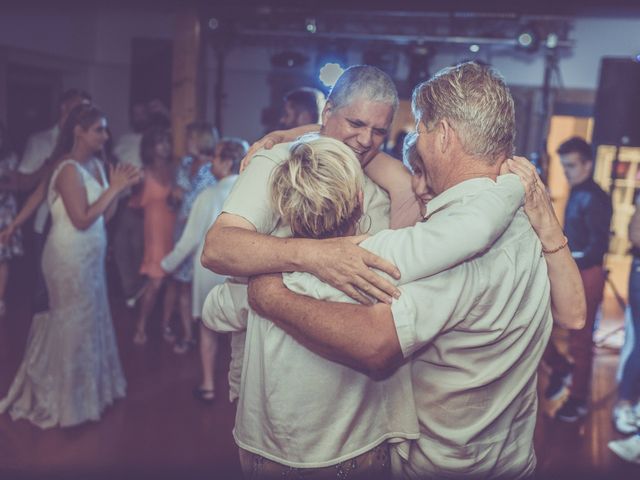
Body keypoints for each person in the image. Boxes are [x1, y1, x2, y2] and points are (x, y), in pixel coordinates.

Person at [246, 62, 585, 478]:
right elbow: (573, 315)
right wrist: (302, 134)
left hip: (444, 464)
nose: (414, 139)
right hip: (512, 458)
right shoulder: (524, 210)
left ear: (443, 135)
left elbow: (375, 345)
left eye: (420, 129)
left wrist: (271, 294)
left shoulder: (453, 242)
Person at [204, 132, 538, 477]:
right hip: (352, 451)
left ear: (284, 208)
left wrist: (261, 282)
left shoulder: (262, 277)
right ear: (361, 201)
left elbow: (215, 312)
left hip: (267, 451)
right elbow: (469, 231)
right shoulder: (377, 258)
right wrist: (514, 186)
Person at [0, 104, 140, 428]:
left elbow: (105, 216)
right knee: (71, 321)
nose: (105, 135)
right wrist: (114, 189)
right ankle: (64, 402)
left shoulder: (98, 166)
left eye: (105, 129)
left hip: (91, 254)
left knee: (91, 320)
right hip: (68, 255)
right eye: (99, 130)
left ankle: (88, 394)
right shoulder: (66, 168)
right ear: (79, 131)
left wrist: (118, 188)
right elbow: (80, 219)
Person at [162, 137, 247, 401]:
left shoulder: (207, 195)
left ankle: (208, 385)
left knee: (208, 328)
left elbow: (189, 240)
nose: (211, 161)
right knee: (241, 332)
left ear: (228, 162)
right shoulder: (248, 193)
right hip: (241, 269)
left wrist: (165, 265)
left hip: (210, 268)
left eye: (217, 156)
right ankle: (242, 389)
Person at [545, 136, 613, 423]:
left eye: (571, 166)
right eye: (564, 166)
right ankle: (560, 367)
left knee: (581, 342)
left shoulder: (595, 197)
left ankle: (577, 400)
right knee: (541, 322)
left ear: (587, 164)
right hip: (574, 270)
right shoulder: (578, 192)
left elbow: (597, 248)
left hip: (587, 274)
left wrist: (564, 260)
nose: (567, 172)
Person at [7, 89, 92, 312]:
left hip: (88, 231)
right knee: (46, 288)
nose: (85, 113)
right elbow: (27, 186)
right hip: (49, 223)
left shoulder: (92, 149)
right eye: (79, 108)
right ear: (64, 109)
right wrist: (14, 224)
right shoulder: (40, 141)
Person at [164, 122, 219, 354]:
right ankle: (188, 335)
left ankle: (210, 335)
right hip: (182, 230)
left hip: (204, 234)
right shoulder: (185, 164)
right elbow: (173, 197)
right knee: (183, 285)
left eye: (190, 138)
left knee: (205, 287)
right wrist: (174, 196)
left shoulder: (214, 170)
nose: (186, 142)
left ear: (201, 140)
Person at [131, 127, 176, 346]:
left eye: (167, 141)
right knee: (156, 281)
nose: (165, 146)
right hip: (155, 233)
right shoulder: (143, 173)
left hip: (174, 229)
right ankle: (140, 325)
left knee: (172, 283)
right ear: (150, 147)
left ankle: (165, 325)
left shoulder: (173, 169)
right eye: (160, 142)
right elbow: (134, 204)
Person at [0, 121, 23, 315]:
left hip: (4, 211)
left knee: (2, 258)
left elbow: (17, 185)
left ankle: (0, 300)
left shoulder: (10, 158)